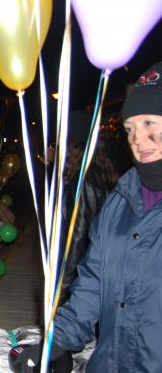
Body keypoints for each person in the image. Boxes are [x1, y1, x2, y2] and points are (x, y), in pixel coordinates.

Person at [16, 62, 162, 373]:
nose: (138, 138)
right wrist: (54, 343)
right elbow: (93, 285)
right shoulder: (120, 203)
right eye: (129, 128)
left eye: (149, 123)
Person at [58, 110, 119, 303]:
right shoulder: (101, 170)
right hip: (100, 268)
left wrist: (63, 289)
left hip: (84, 275)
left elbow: (76, 238)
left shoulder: (83, 181)